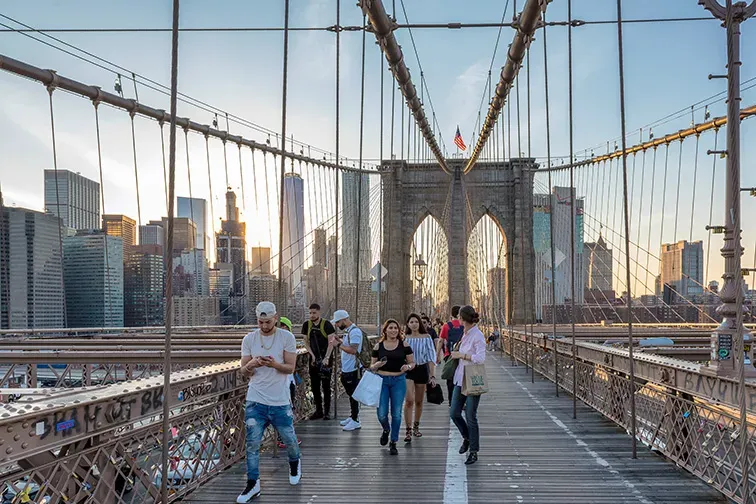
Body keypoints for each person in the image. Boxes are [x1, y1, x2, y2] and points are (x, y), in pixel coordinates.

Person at [237, 302, 301, 503]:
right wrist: (252, 364)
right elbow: (243, 371)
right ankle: (253, 483)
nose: (264, 326)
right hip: (255, 399)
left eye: (267, 321)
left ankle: (294, 462)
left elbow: (290, 368)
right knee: (252, 444)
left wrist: (274, 364)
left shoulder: (287, 337)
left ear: (276, 318)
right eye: (260, 322)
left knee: (289, 439)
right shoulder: (249, 339)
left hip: (280, 400)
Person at [370, 319, 415, 455]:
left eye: (396, 328)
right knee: (382, 413)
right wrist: (376, 365)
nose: (393, 330)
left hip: (398, 380)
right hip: (382, 380)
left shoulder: (404, 345)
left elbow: (412, 363)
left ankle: (393, 441)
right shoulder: (378, 346)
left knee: (396, 413)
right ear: (385, 330)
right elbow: (371, 366)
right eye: (391, 328)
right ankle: (386, 429)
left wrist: (407, 366)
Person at [449, 305, 486, 466]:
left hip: (471, 379)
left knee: (471, 416)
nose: (457, 319)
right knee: (454, 413)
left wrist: (462, 355)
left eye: (459, 317)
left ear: (463, 319)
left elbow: (480, 358)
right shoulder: (464, 334)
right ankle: (467, 437)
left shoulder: (477, 335)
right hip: (459, 378)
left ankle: (474, 451)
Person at [403, 313, 437, 442]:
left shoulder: (427, 337)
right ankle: (408, 429)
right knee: (409, 400)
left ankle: (416, 426)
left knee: (418, 401)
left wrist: (432, 375)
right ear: (407, 324)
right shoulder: (404, 339)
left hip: (422, 369)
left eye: (416, 322)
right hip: (408, 370)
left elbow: (430, 357)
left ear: (420, 323)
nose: (414, 324)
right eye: (411, 322)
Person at [302, 303, 336, 420]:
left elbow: (331, 342)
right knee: (314, 386)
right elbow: (305, 341)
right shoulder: (307, 325)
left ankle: (327, 412)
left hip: (326, 359)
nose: (312, 315)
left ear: (319, 312)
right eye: (310, 313)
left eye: (314, 313)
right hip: (314, 360)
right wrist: (311, 355)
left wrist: (327, 357)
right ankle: (318, 411)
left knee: (326, 386)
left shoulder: (326, 324)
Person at [331, 309, 363, 431]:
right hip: (348, 368)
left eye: (338, 322)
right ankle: (353, 416)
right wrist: (340, 341)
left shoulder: (354, 332)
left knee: (353, 394)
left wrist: (338, 345)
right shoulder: (349, 332)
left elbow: (353, 350)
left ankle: (356, 420)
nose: (337, 325)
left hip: (353, 369)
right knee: (351, 394)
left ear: (344, 320)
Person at [276, 316, 302, 449]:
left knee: (287, 408)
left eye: (284, 327)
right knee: (284, 409)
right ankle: (284, 438)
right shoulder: (283, 342)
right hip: (282, 382)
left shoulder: (286, 342)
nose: (282, 330)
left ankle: (285, 437)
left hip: (288, 381)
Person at [439, 305, 464, 404]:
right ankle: (461, 401)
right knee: (462, 377)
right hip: (462, 355)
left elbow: (440, 341)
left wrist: (437, 355)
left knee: (450, 378)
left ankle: (451, 401)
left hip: (449, 355)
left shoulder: (446, 325)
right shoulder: (464, 325)